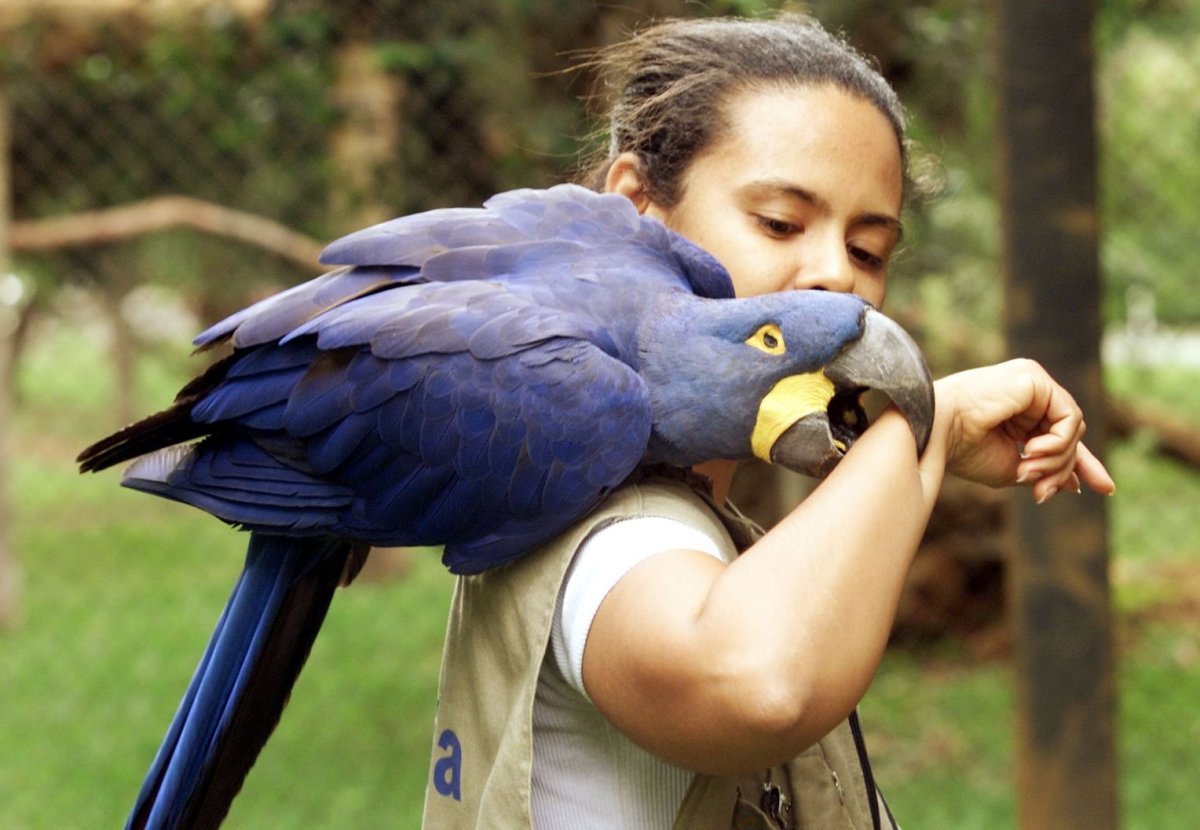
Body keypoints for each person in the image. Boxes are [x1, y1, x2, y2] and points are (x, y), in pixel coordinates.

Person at [422, 13, 1115, 830]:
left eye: (867, 250)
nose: (834, 275)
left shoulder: (692, 517)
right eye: (780, 223)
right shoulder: (615, 524)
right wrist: (922, 425)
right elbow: (754, 682)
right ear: (637, 213)